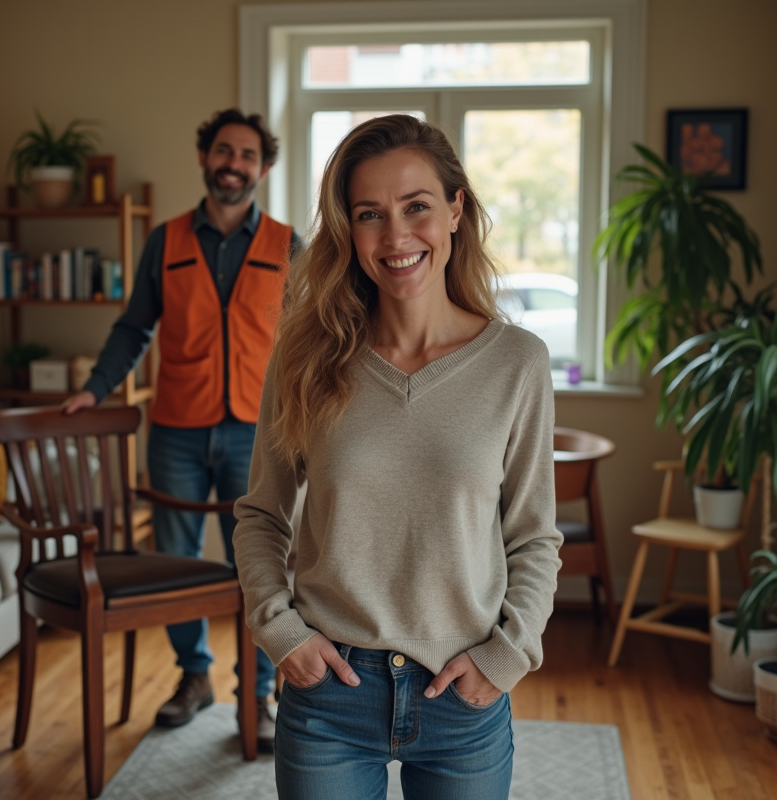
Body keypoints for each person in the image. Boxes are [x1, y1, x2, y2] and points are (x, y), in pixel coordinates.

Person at [232, 114, 562, 798]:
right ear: (347, 231)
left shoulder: (516, 363)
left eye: (416, 207)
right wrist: (279, 631)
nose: (396, 236)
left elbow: (533, 536)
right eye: (369, 214)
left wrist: (508, 655)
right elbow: (262, 514)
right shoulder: (304, 359)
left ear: (455, 211)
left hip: (463, 696)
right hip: (329, 695)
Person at [63, 108, 298, 752]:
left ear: (263, 167)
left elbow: (314, 333)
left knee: (261, 565)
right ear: (204, 158)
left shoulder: (287, 244)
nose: (234, 163)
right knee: (173, 563)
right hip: (176, 431)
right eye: (224, 151)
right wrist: (93, 389)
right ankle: (195, 678)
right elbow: (134, 327)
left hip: (259, 431)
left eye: (247, 155)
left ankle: (259, 696)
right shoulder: (164, 241)